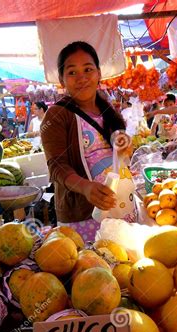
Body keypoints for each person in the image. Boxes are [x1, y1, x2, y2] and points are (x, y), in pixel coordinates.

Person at [41, 41, 132, 240]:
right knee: (91, 267)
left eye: (88, 69)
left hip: (120, 208)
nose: (81, 78)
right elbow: (57, 166)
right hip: (82, 217)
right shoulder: (57, 115)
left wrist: (124, 147)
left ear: (98, 73)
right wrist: (86, 187)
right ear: (62, 80)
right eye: (72, 72)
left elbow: (120, 155)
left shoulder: (108, 110)